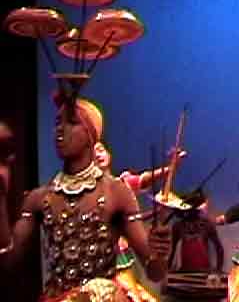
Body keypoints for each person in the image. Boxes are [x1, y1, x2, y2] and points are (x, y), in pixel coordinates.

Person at [0, 93, 171, 301]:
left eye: (71, 122)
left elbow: (155, 272)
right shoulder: (39, 198)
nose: (60, 130)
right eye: (57, 123)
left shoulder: (117, 193)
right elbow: (7, 261)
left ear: (91, 134)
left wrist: (159, 253)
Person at [94, 141, 180, 302]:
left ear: (109, 154)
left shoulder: (123, 183)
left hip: (122, 263)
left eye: (100, 149)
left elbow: (145, 179)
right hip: (98, 261)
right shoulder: (89, 193)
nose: (98, 155)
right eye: (92, 153)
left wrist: (171, 167)